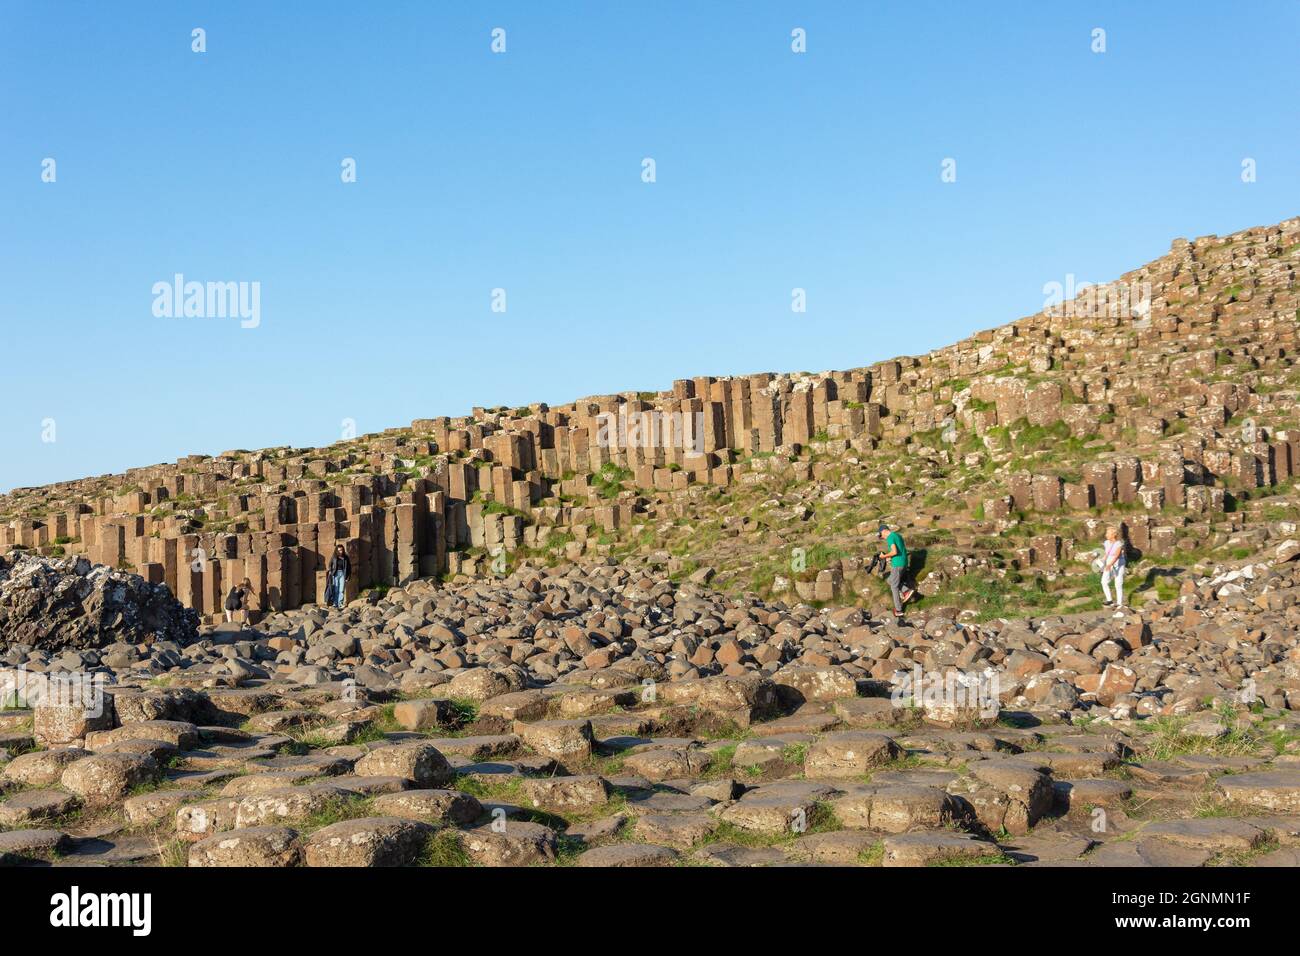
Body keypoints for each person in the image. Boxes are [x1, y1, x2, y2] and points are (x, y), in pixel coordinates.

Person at [877, 523, 914, 619]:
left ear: (884, 531)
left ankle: (898, 610)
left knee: (894, 586)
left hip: (897, 564)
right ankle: (906, 591)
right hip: (903, 562)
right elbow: (900, 550)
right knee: (890, 580)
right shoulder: (897, 535)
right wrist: (890, 558)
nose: (882, 537)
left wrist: (884, 556)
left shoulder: (890, 537)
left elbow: (894, 551)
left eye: (881, 535)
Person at [1100, 526, 1126, 609]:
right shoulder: (1106, 542)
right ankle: (1109, 600)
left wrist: (1110, 565)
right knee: (1104, 582)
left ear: (1113, 534)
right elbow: (1107, 553)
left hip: (1118, 564)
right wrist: (1102, 561)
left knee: (1118, 583)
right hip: (1109, 563)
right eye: (1106, 533)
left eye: (1108, 533)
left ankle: (1119, 603)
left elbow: (1117, 556)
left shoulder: (1119, 544)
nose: (1106, 535)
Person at [326, 545, 350, 610]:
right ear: (336, 550)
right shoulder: (334, 557)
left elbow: (349, 568)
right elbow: (330, 564)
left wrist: (348, 577)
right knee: (336, 589)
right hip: (335, 574)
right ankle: (335, 603)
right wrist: (331, 571)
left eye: (341, 550)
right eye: (339, 550)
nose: (340, 551)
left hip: (343, 574)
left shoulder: (346, 557)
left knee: (341, 590)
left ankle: (340, 604)